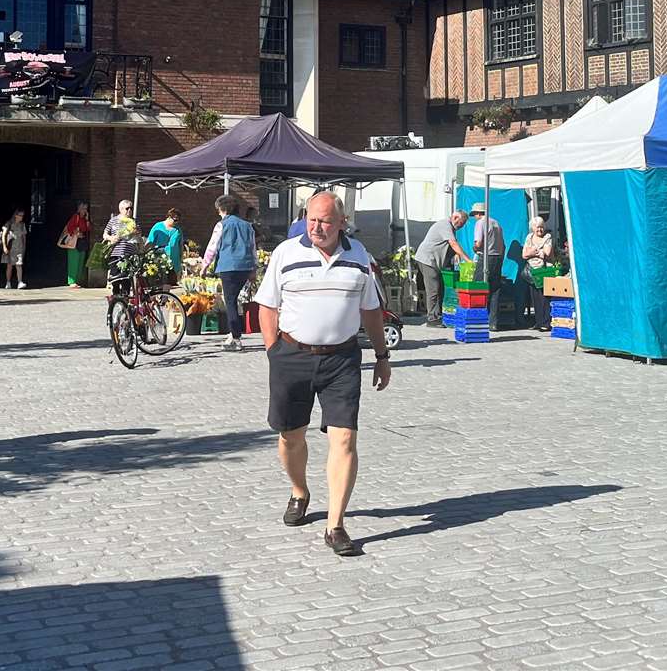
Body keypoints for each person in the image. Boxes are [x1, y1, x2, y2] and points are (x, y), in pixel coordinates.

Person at [255, 192, 390, 557]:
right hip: (292, 357)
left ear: (341, 223)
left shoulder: (359, 255)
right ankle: (299, 491)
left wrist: (381, 355)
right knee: (290, 437)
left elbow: (371, 310)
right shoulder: (286, 252)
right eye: (312, 219)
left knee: (344, 440)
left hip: (342, 360)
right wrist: (274, 352)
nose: (316, 227)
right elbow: (267, 304)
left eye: (325, 221)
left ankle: (336, 525)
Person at [202, 195, 257, 351]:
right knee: (235, 300)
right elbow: (253, 248)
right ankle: (232, 335)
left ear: (223, 209)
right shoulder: (248, 226)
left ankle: (236, 337)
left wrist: (205, 265)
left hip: (228, 266)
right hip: (245, 266)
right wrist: (253, 269)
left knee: (230, 302)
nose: (218, 213)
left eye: (218, 210)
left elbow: (213, 246)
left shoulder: (222, 225)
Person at [411, 210, 472, 322]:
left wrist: (456, 255)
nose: (461, 227)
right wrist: (467, 259)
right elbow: (453, 243)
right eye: (461, 224)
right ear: (455, 218)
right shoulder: (445, 225)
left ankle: (437, 315)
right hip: (427, 259)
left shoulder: (450, 228)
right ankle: (432, 318)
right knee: (433, 289)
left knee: (440, 289)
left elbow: (449, 244)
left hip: (433, 261)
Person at [518, 216, 555, 329]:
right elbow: (524, 255)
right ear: (533, 228)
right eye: (537, 227)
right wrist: (539, 252)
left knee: (544, 297)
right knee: (535, 298)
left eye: (542, 227)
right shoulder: (529, 237)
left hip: (544, 270)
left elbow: (547, 253)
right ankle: (538, 322)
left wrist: (533, 251)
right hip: (532, 271)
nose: (540, 230)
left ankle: (545, 323)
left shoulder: (547, 237)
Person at [59, 202, 92, 287]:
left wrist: (87, 219)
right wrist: (76, 233)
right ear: (79, 209)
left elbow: (88, 229)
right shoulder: (75, 217)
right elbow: (69, 228)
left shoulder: (84, 219)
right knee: (73, 262)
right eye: (83, 209)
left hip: (82, 242)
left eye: (86, 209)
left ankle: (77, 280)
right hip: (74, 242)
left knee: (81, 261)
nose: (85, 211)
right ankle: (72, 281)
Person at [146, 209, 185, 280]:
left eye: (178, 221)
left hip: (174, 262)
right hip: (160, 262)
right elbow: (150, 242)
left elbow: (180, 245)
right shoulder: (158, 226)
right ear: (169, 217)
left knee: (170, 283)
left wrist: (181, 261)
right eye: (175, 220)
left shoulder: (178, 230)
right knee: (160, 282)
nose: (177, 223)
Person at [1, 207, 28, 290]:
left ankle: (20, 282)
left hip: (19, 248)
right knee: (9, 266)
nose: (21, 217)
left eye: (22, 215)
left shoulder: (22, 225)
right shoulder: (9, 223)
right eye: (20, 215)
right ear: (16, 215)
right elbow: (4, 235)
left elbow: (24, 236)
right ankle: (8, 282)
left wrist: (24, 247)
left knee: (19, 265)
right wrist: (4, 246)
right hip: (10, 248)